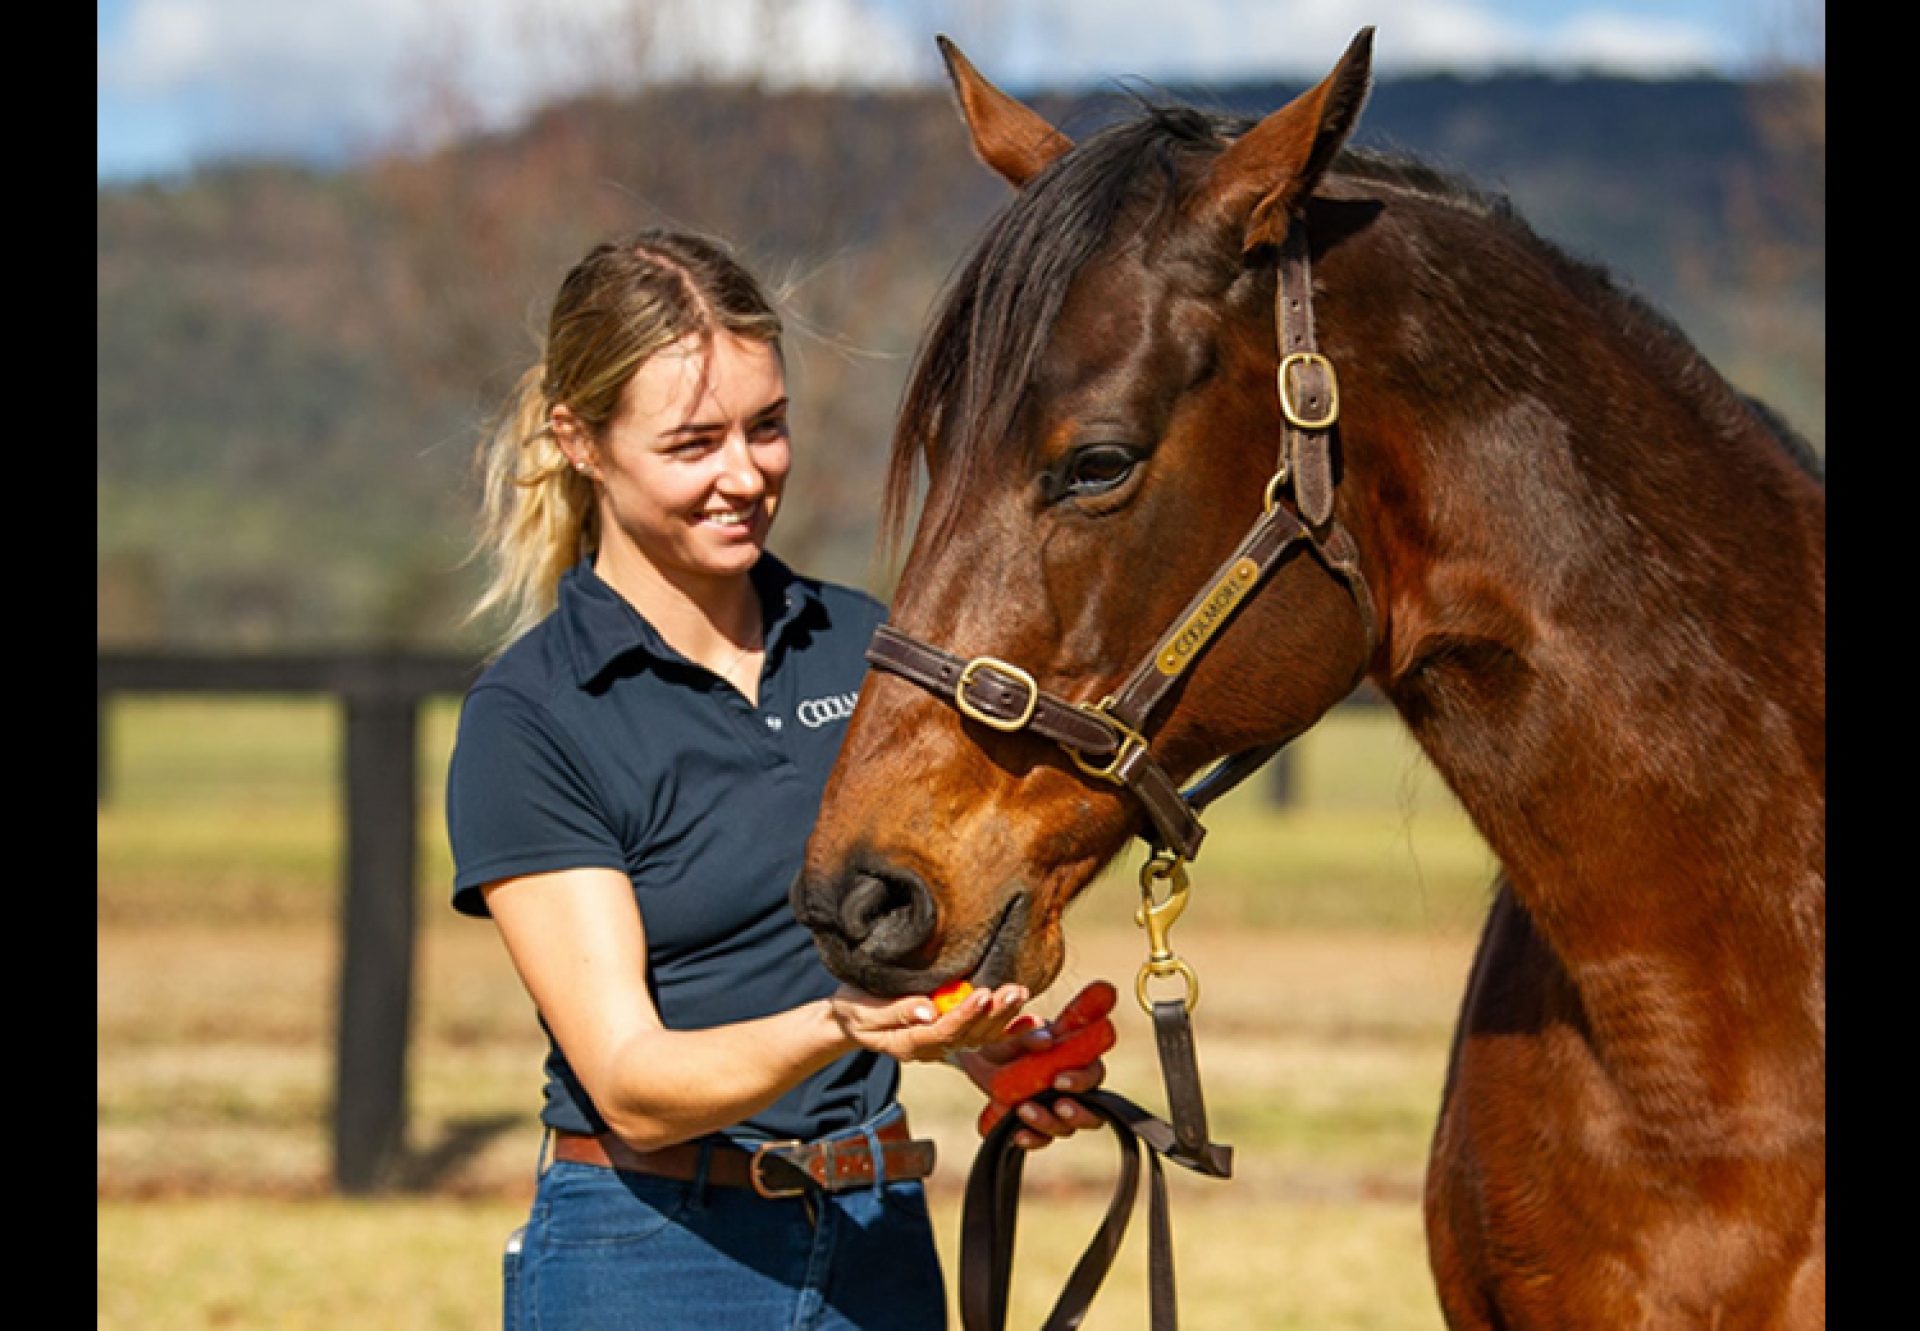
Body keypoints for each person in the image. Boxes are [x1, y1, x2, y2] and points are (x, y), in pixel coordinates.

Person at [445, 228, 1110, 1330]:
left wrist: (990, 1051)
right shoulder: (534, 715)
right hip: (651, 1256)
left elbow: (889, 952)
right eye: (694, 442)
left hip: (878, 1244)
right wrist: (845, 1026)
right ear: (581, 440)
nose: (744, 473)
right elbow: (629, 1079)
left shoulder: (867, 648)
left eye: (767, 425)